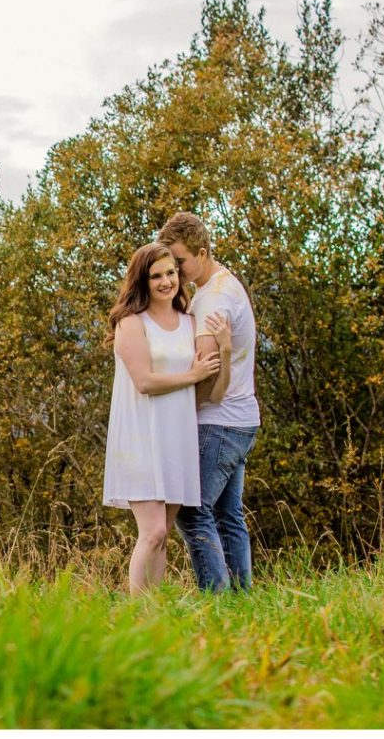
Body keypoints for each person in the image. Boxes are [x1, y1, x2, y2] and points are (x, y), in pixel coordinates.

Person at [103, 242, 231, 593]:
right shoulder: (131, 324)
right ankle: (136, 616)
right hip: (140, 438)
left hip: (177, 438)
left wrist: (225, 344)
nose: (165, 282)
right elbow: (144, 382)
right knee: (153, 531)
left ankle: (154, 615)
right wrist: (191, 375)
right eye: (155, 275)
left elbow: (213, 377)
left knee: (163, 537)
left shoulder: (190, 322)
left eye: (170, 273)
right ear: (142, 281)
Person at [158, 212, 260, 592]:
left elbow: (210, 376)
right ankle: (240, 599)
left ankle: (217, 599)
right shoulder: (224, 283)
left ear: (201, 252)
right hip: (242, 418)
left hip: (220, 421)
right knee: (227, 514)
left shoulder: (213, 300)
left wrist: (173, 409)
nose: (175, 270)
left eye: (180, 262)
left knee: (193, 512)